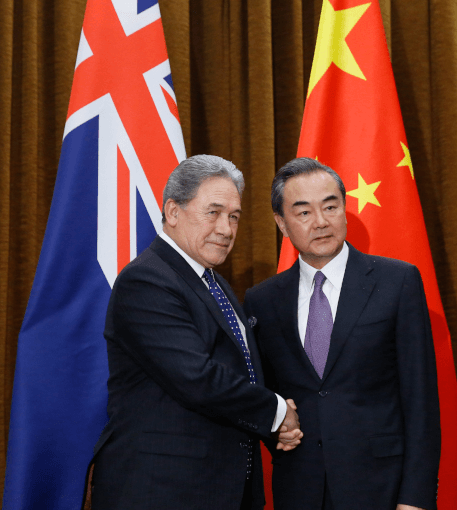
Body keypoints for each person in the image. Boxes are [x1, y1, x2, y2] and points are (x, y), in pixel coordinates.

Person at [90, 155, 302, 510]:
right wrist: (278, 412)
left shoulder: (214, 284)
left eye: (234, 216)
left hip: (221, 489)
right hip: (162, 490)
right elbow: (197, 377)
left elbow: (242, 371)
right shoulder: (147, 280)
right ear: (173, 212)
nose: (226, 228)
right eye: (213, 212)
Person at [243, 157, 441, 510]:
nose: (320, 222)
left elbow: (421, 402)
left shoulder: (397, 283)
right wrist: (276, 432)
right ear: (282, 224)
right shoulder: (262, 300)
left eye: (330, 206)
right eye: (303, 213)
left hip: (382, 490)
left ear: (344, 210)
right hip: (298, 490)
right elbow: (267, 396)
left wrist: (416, 500)